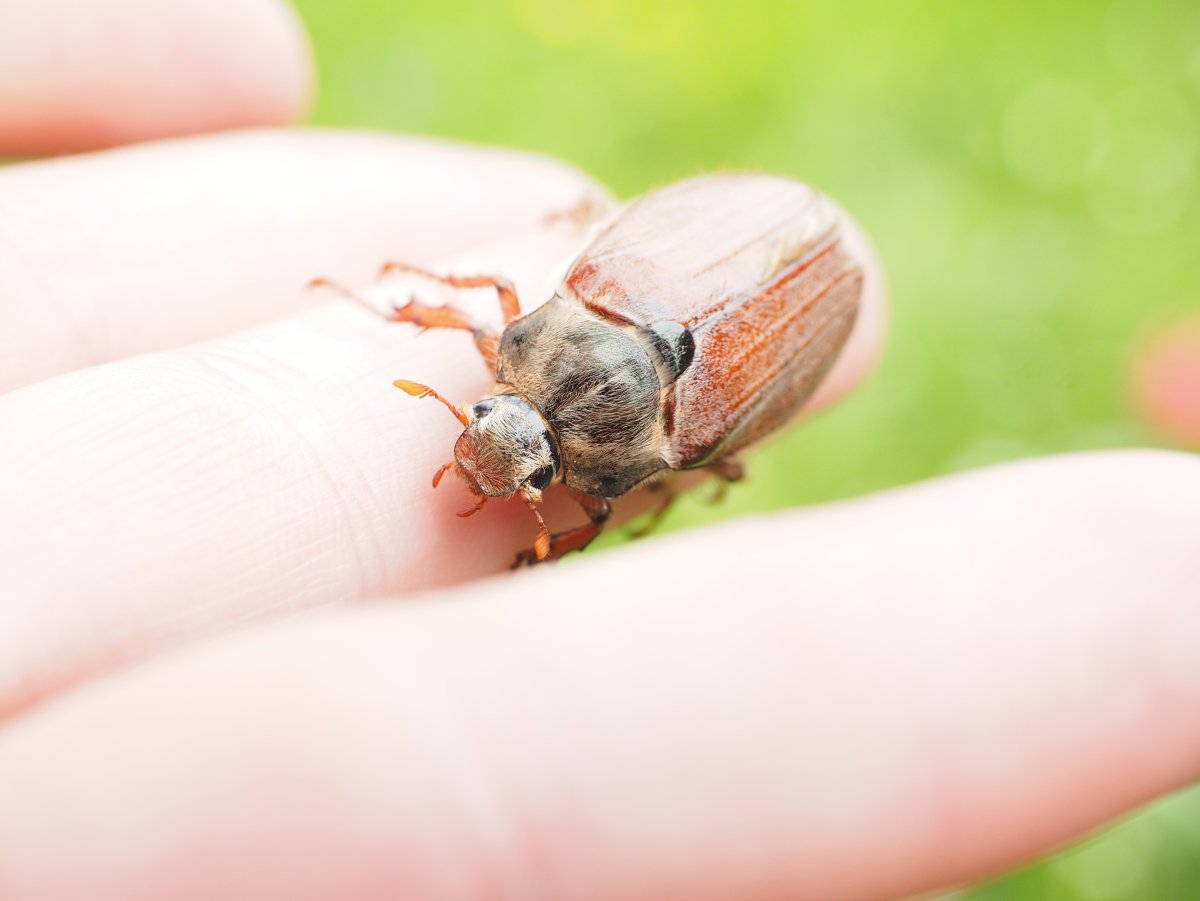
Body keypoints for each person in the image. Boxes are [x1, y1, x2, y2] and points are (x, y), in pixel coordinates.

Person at [0, 1, 1196, 898]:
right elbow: (483, 315)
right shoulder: (544, 334)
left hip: (760, 284)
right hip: (704, 266)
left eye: (499, 451)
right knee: (510, 319)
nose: (487, 451)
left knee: (565, 363)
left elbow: (552, 418)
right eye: (494, 436)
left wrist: (557, 524)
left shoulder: (629, 431)